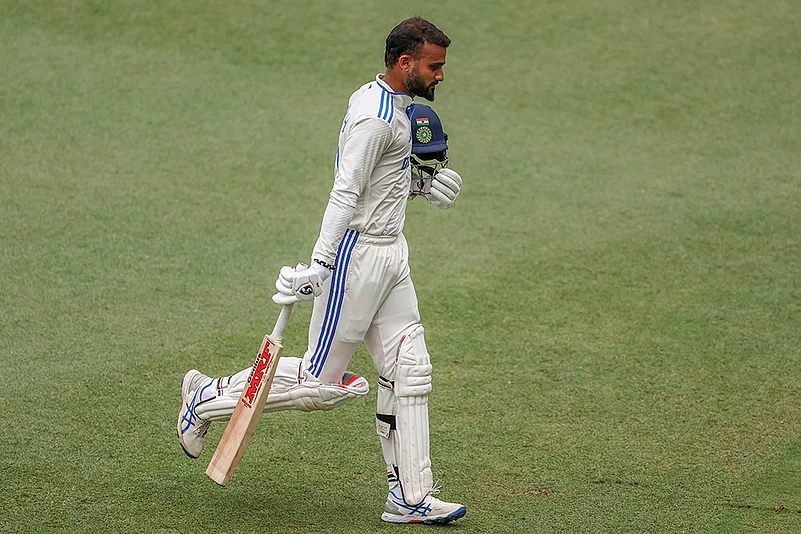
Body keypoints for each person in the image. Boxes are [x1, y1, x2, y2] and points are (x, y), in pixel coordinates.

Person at [177, 17, 465, 525]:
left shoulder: (396, 107)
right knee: (318, 385)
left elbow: (383, 183)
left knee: (410, 369)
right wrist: (322, 263)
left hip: (391, 253)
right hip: (355, 259)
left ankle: (410, 497)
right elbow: (347, 192)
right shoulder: (374, 118)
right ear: (405, 64)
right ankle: (205, 398)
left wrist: (424, 187)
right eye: (433, 66)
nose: (440, 75)